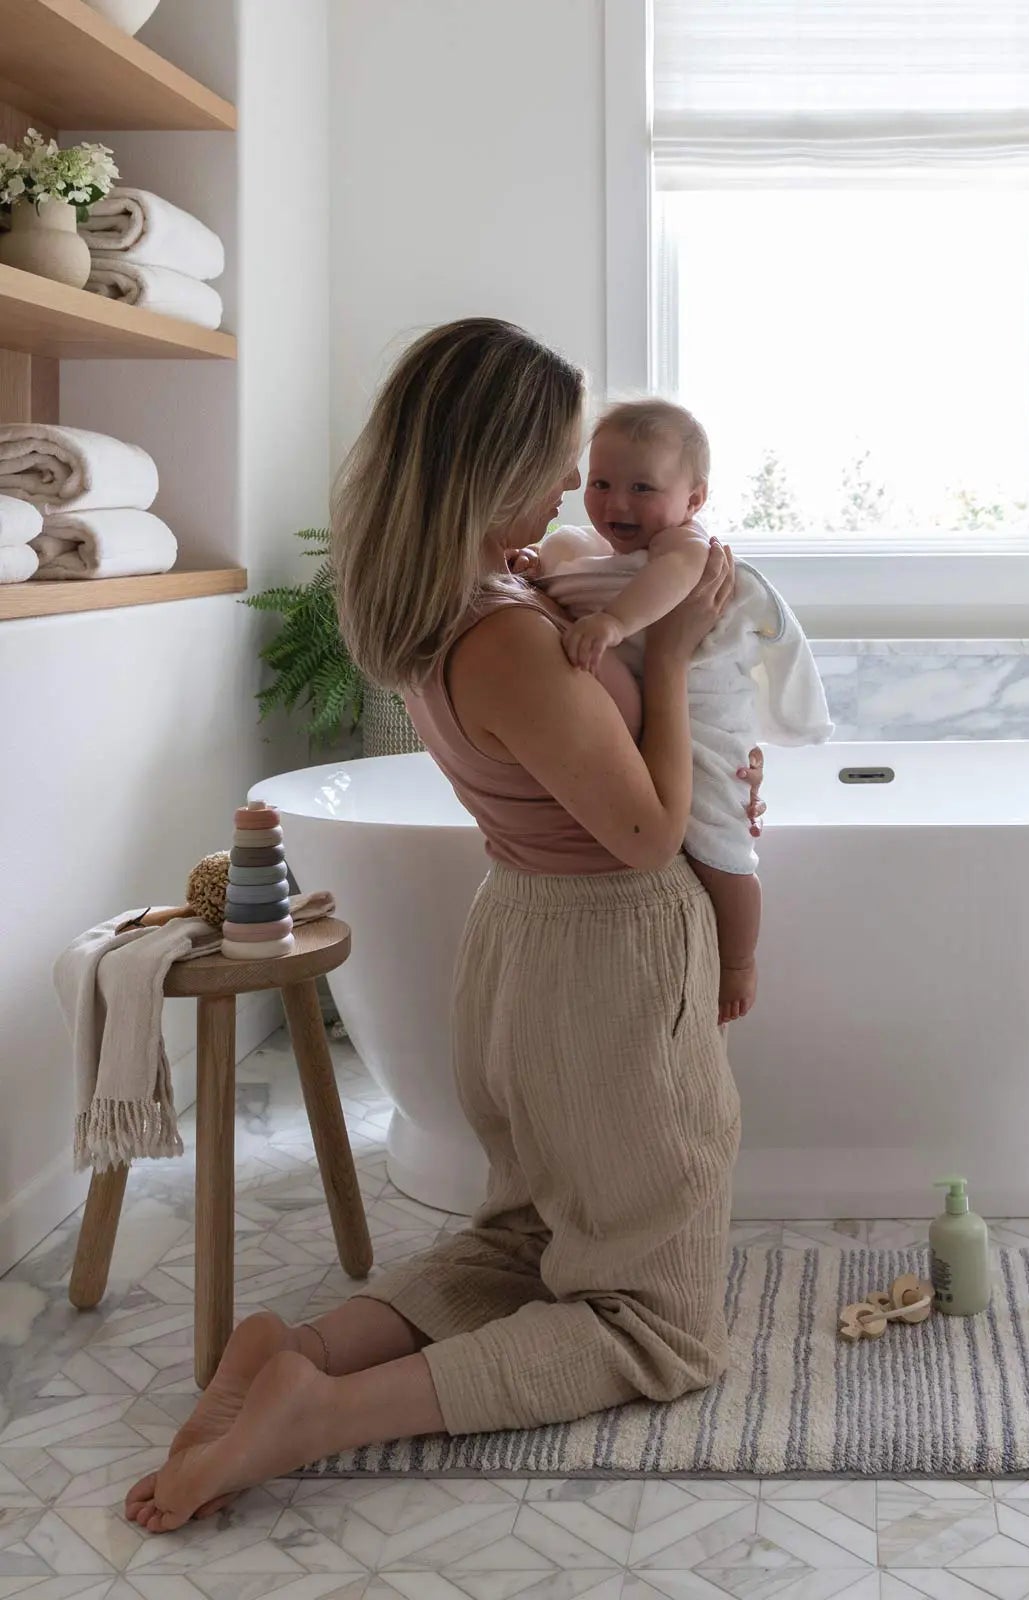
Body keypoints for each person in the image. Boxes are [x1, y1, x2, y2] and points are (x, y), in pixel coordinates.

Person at [124, 318, 764, 1534]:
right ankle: (321, 1413)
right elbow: (638, 835)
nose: (574, 488)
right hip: (609, 951)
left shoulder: (459, 603)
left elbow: (603, 781)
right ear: (490, 467)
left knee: (532, 1236)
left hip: (526, 935)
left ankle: (296, 1350)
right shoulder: (514, 634)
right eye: (559, 461)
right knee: (657, 1321)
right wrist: (672, 661)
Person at [523, 397, 830, 1025]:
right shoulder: (585, 549)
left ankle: (740, 959)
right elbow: (571, 559)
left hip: (702, 722)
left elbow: (672, 581)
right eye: (603, 483)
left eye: (643, 487)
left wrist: (614, 620)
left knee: (720, 841)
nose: (616, 503)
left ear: (694, 500)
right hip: (643, 729)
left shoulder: (687, 547)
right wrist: (536, 569)